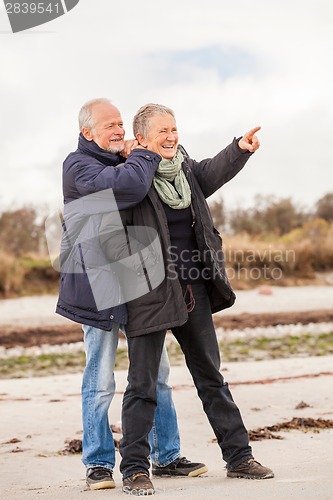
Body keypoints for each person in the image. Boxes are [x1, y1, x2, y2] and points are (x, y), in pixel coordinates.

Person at [100, 103, 274, 495]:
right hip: (148, 294)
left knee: (211, 377)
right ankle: (134, 469)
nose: (171, 136)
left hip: (192, 289)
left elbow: (211, 171)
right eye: (162, 131)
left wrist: (240, 148)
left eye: (174, 129)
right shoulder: (131, 178)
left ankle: (239, 456)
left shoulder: (185, 170)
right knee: (142, 384)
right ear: (141, 138)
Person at [56, 98, 207, 490]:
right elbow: (129, 187)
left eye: (121, 122)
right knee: (100, 377)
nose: (119, 129)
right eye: (110, 125)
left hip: (134, 283)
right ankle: (99, 464)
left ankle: (168, 454)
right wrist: (141, 152)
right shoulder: (79, 166)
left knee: (157, 374)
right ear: (88, 132)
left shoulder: (120, 160)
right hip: (97, 289)